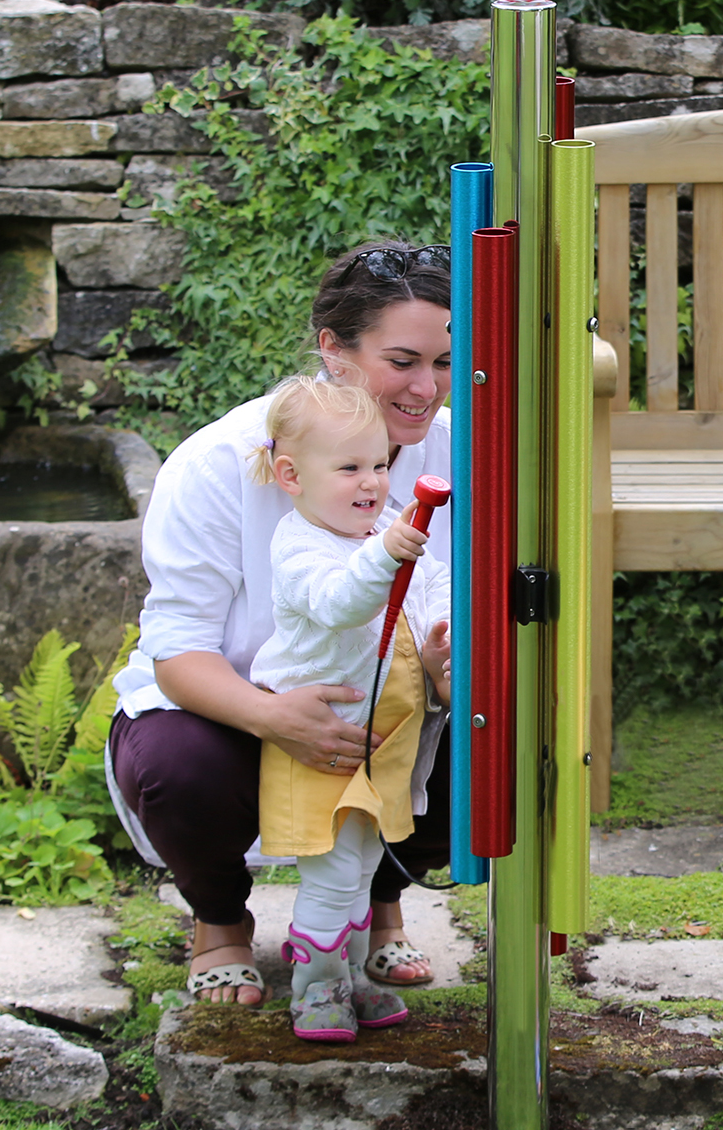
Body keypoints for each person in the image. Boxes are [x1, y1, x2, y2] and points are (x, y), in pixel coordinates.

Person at [106, 240, 452, 1007]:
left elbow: (444, 597)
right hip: (231, 704)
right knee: (179, 764)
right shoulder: (217, 462)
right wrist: (273, 715)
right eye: (402, 360)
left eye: (445, 361)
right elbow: (177, 649)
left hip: (387, 705)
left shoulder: (453, 449)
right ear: (333, 349)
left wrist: (443, 663)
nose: (427, 390)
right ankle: (220, 925)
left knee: (495, 734)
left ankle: (381, 909)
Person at [248, 377, 450, 1041]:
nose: (371, 481)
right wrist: (385, 552)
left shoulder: (376, 536)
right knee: (334, 875)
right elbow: (342, 603)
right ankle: (315, 987)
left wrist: (445, 624)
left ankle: (349, 974)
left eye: (378, 464)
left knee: (362, 870)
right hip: (322, 746)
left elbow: (432, 588)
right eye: (349, 467)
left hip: (378, 745)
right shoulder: (300, 545)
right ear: (291, 475)